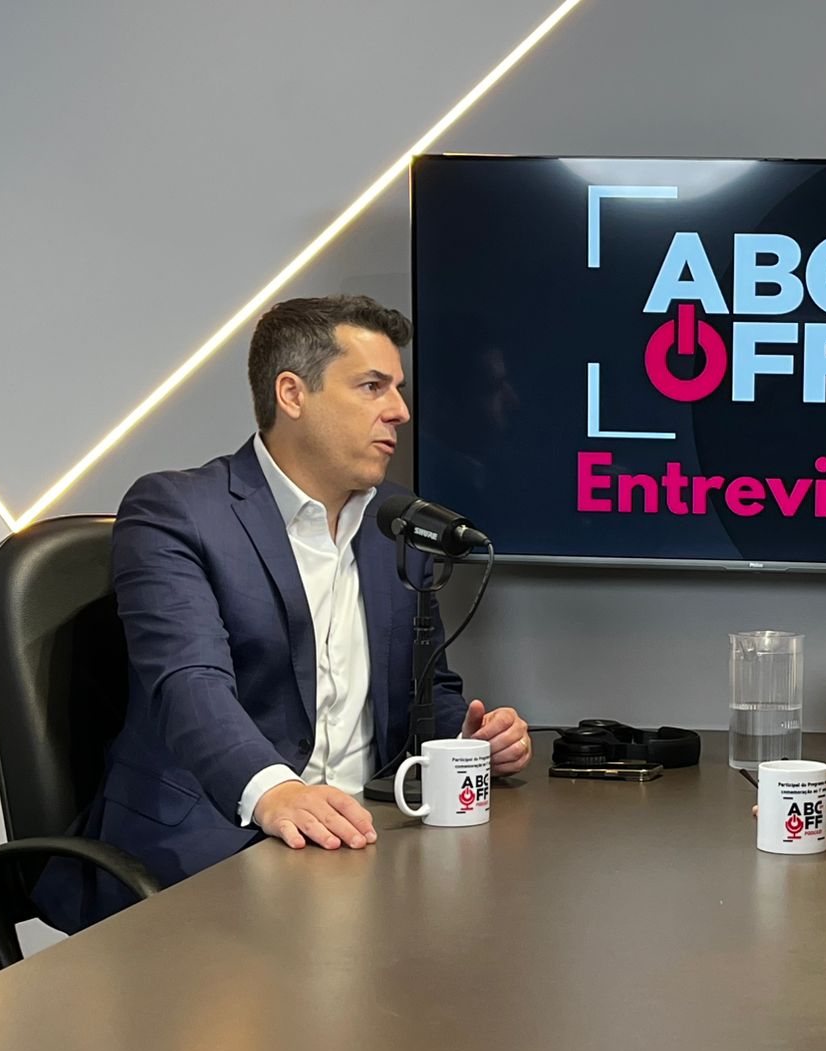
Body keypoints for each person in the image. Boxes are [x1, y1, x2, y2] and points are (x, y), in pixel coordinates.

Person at [35, 295, 531, 932]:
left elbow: (427, 686)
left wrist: (470, 741)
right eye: (372, 387)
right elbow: (188, 683)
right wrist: (275, 791)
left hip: (367, 843)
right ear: (292, 394)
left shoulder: (397, 522)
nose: (400, 412)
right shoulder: (176, 511)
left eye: (398, 389)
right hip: (214, 843)